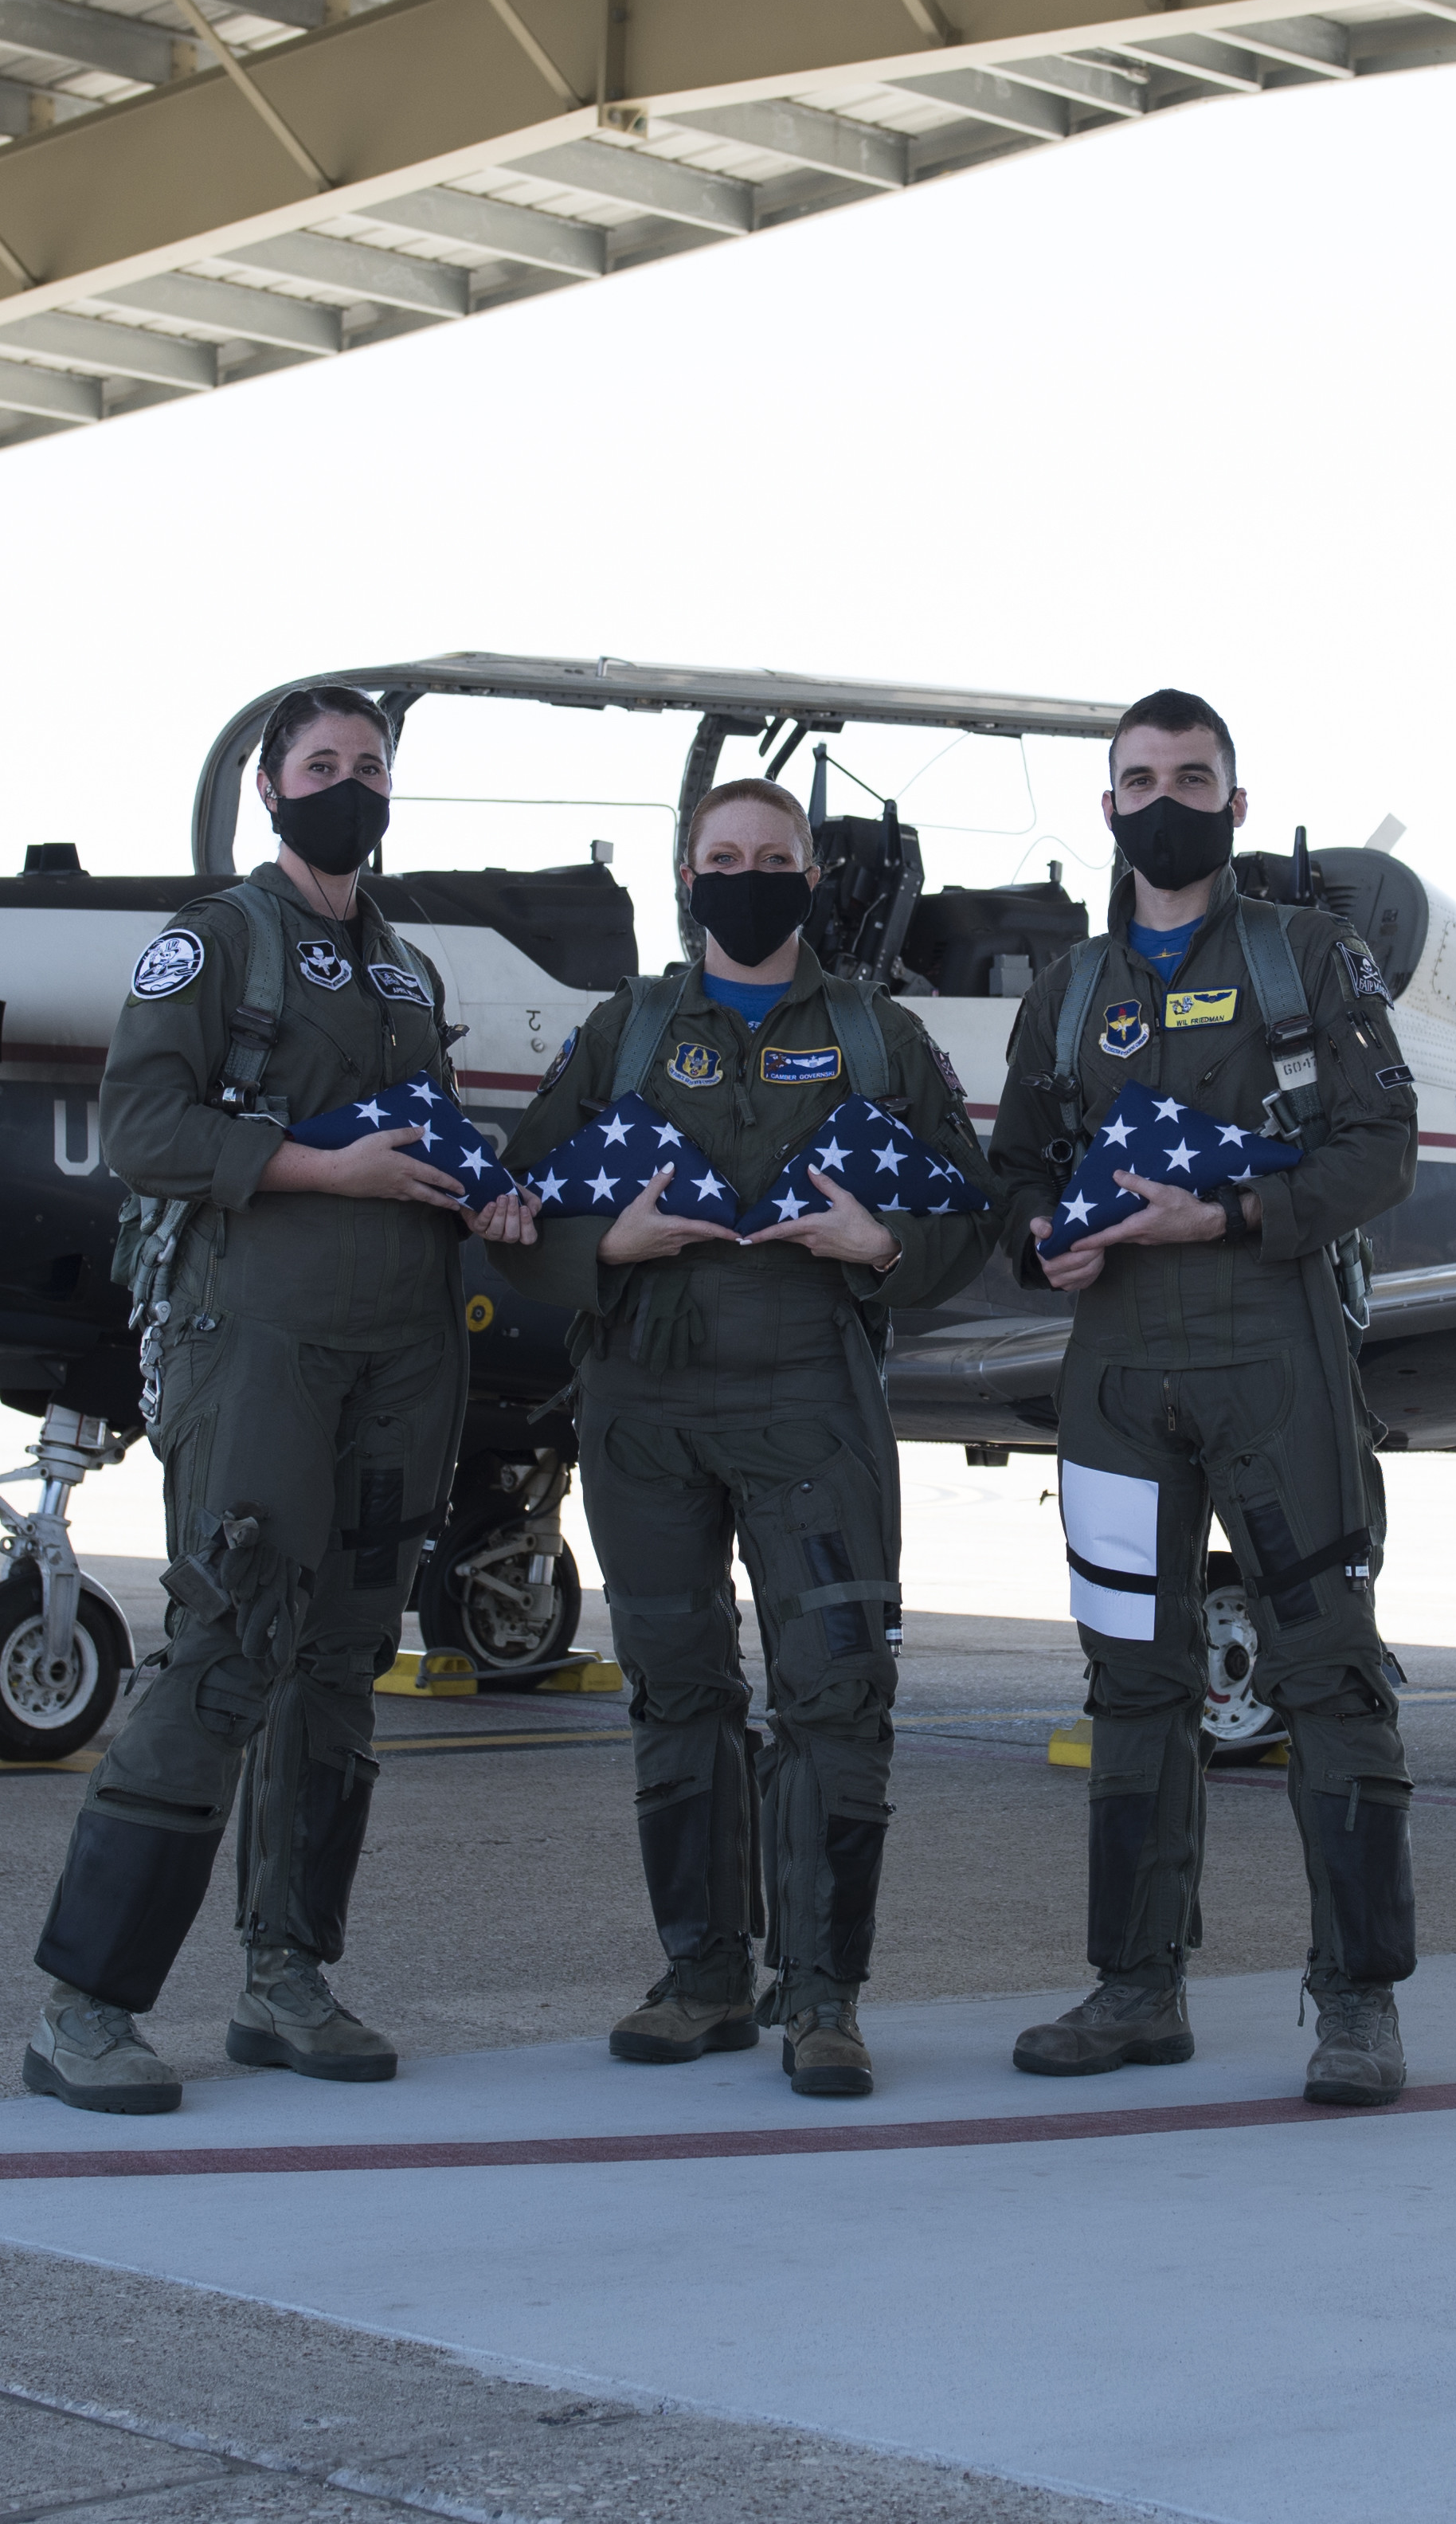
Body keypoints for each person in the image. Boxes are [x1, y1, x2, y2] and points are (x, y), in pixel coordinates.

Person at [21, 685, 546, 2114]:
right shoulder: (215, 944)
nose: (350, 787)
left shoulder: (404, 972)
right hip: (255, 1339)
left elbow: (422, 1133)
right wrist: (326, 1171)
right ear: (271, 788)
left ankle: (286, 1980)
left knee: (340, 1663)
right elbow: (142, 1128)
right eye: (323, 766)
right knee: (228, 1642)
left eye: (370, 768)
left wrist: (481, 1198)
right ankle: (87, 2006)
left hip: (402, 1350)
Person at [492, 777, 996, 2098]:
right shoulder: (628, 1029)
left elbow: (969, 1215)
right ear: (688, 874)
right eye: (722, 858)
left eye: (772, 858)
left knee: (834, 1694)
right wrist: (605, 1243)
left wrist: (881, 1243)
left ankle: (822, 1994)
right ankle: (702, 1976)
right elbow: (511, 1203)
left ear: (812, 876)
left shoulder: (880, 1036)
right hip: (643, 1407)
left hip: (809, 1401)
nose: (747, 876)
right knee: (679, 1690)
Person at [985, 690, 1425, 2108]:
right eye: (1138, 778)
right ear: (1105, 806)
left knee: (1328, 1672)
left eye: (1191, 776)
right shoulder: (1067, 994)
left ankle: (1357, 2005)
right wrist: (1038, 1240)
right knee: (1130, 1681)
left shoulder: (1305, 958)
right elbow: (1017, 1170)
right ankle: (1134, 1989)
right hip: (1113, 1373)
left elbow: (1377, 1155)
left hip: (1270, 1353)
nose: (1162, 796)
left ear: (1234, 806)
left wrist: (1229, 1215)